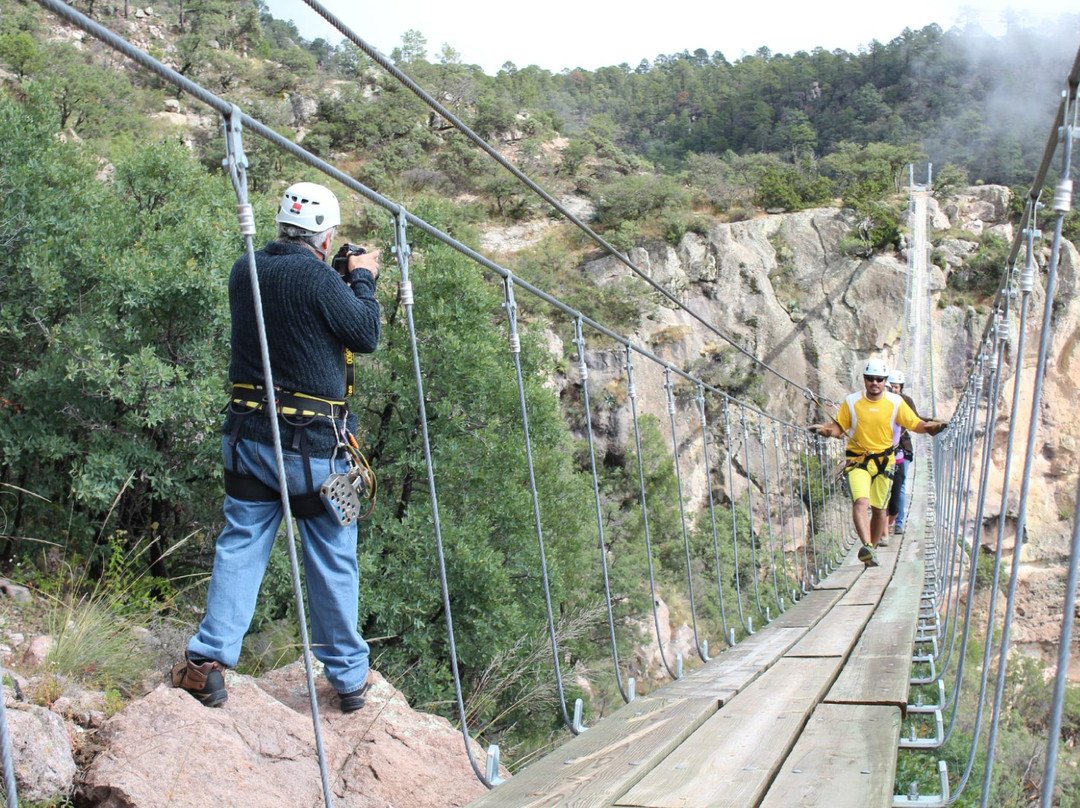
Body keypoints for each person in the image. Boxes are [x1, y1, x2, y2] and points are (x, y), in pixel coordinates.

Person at [172, 181, 382, 711]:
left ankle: (207, 663)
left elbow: (293, 313)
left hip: (247, 439)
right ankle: (350, 680)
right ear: (326, 235)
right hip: (317, 449)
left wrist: (337, 277)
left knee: (241, 542)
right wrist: (362, 280)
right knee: (334, 558)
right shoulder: (318, 276)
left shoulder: (245, 268)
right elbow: (365, 334)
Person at [809, 358, 947, 566]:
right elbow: (839, 428)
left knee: (880, 509)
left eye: (879, 379)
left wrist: (931, 428)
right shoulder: (852, 402)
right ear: (864, 380)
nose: (875, 383)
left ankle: (870, 551)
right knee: (861, 502)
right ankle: (867, 545)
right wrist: (826, 431)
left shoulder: (895, 402)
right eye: (871, 379)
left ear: (885, 381)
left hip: (885, 462)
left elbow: (915, 424)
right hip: (858, 460)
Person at [886, 369, 923, 536]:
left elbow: (915, 421)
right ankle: (885, 522)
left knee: (899, 486)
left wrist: (932, 425)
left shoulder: (905, 401)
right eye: (891, 387)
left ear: (901, 387)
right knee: (884, 486)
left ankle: (898, 523)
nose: (894, 390)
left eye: (896, 387)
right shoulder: (880, 402)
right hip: (882, 450)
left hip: (902, 449)